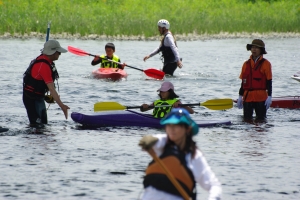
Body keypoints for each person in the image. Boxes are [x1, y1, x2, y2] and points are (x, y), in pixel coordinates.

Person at [138, 108, 222, 200]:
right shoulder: (163, 144)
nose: (171, 128)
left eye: (177, 125)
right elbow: (153, 140)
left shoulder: (194, 156)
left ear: (187, 129)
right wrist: (148, 140)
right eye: (169, 125)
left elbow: (214, 185)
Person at [23, 40, 70, 128]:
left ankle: (44, 141)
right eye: (58, 52)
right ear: (52, 52)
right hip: (31, 98)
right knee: (36, 127)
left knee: (44, 125)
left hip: (39, 97)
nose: (60, 54)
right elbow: (52, 89)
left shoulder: (48, 61)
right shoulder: (43, 65)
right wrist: (62, 106)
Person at [237, 39, 272, 120]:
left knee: (261, 121)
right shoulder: (246, 64)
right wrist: (240, 96)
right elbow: (243, 82)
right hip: (247, 97)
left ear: (261, 50)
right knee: (246, 121)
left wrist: (269, 96)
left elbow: (269, 81)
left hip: (261, 97)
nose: (254, 49)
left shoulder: (266, 64)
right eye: (252, 47)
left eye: (257, 48)